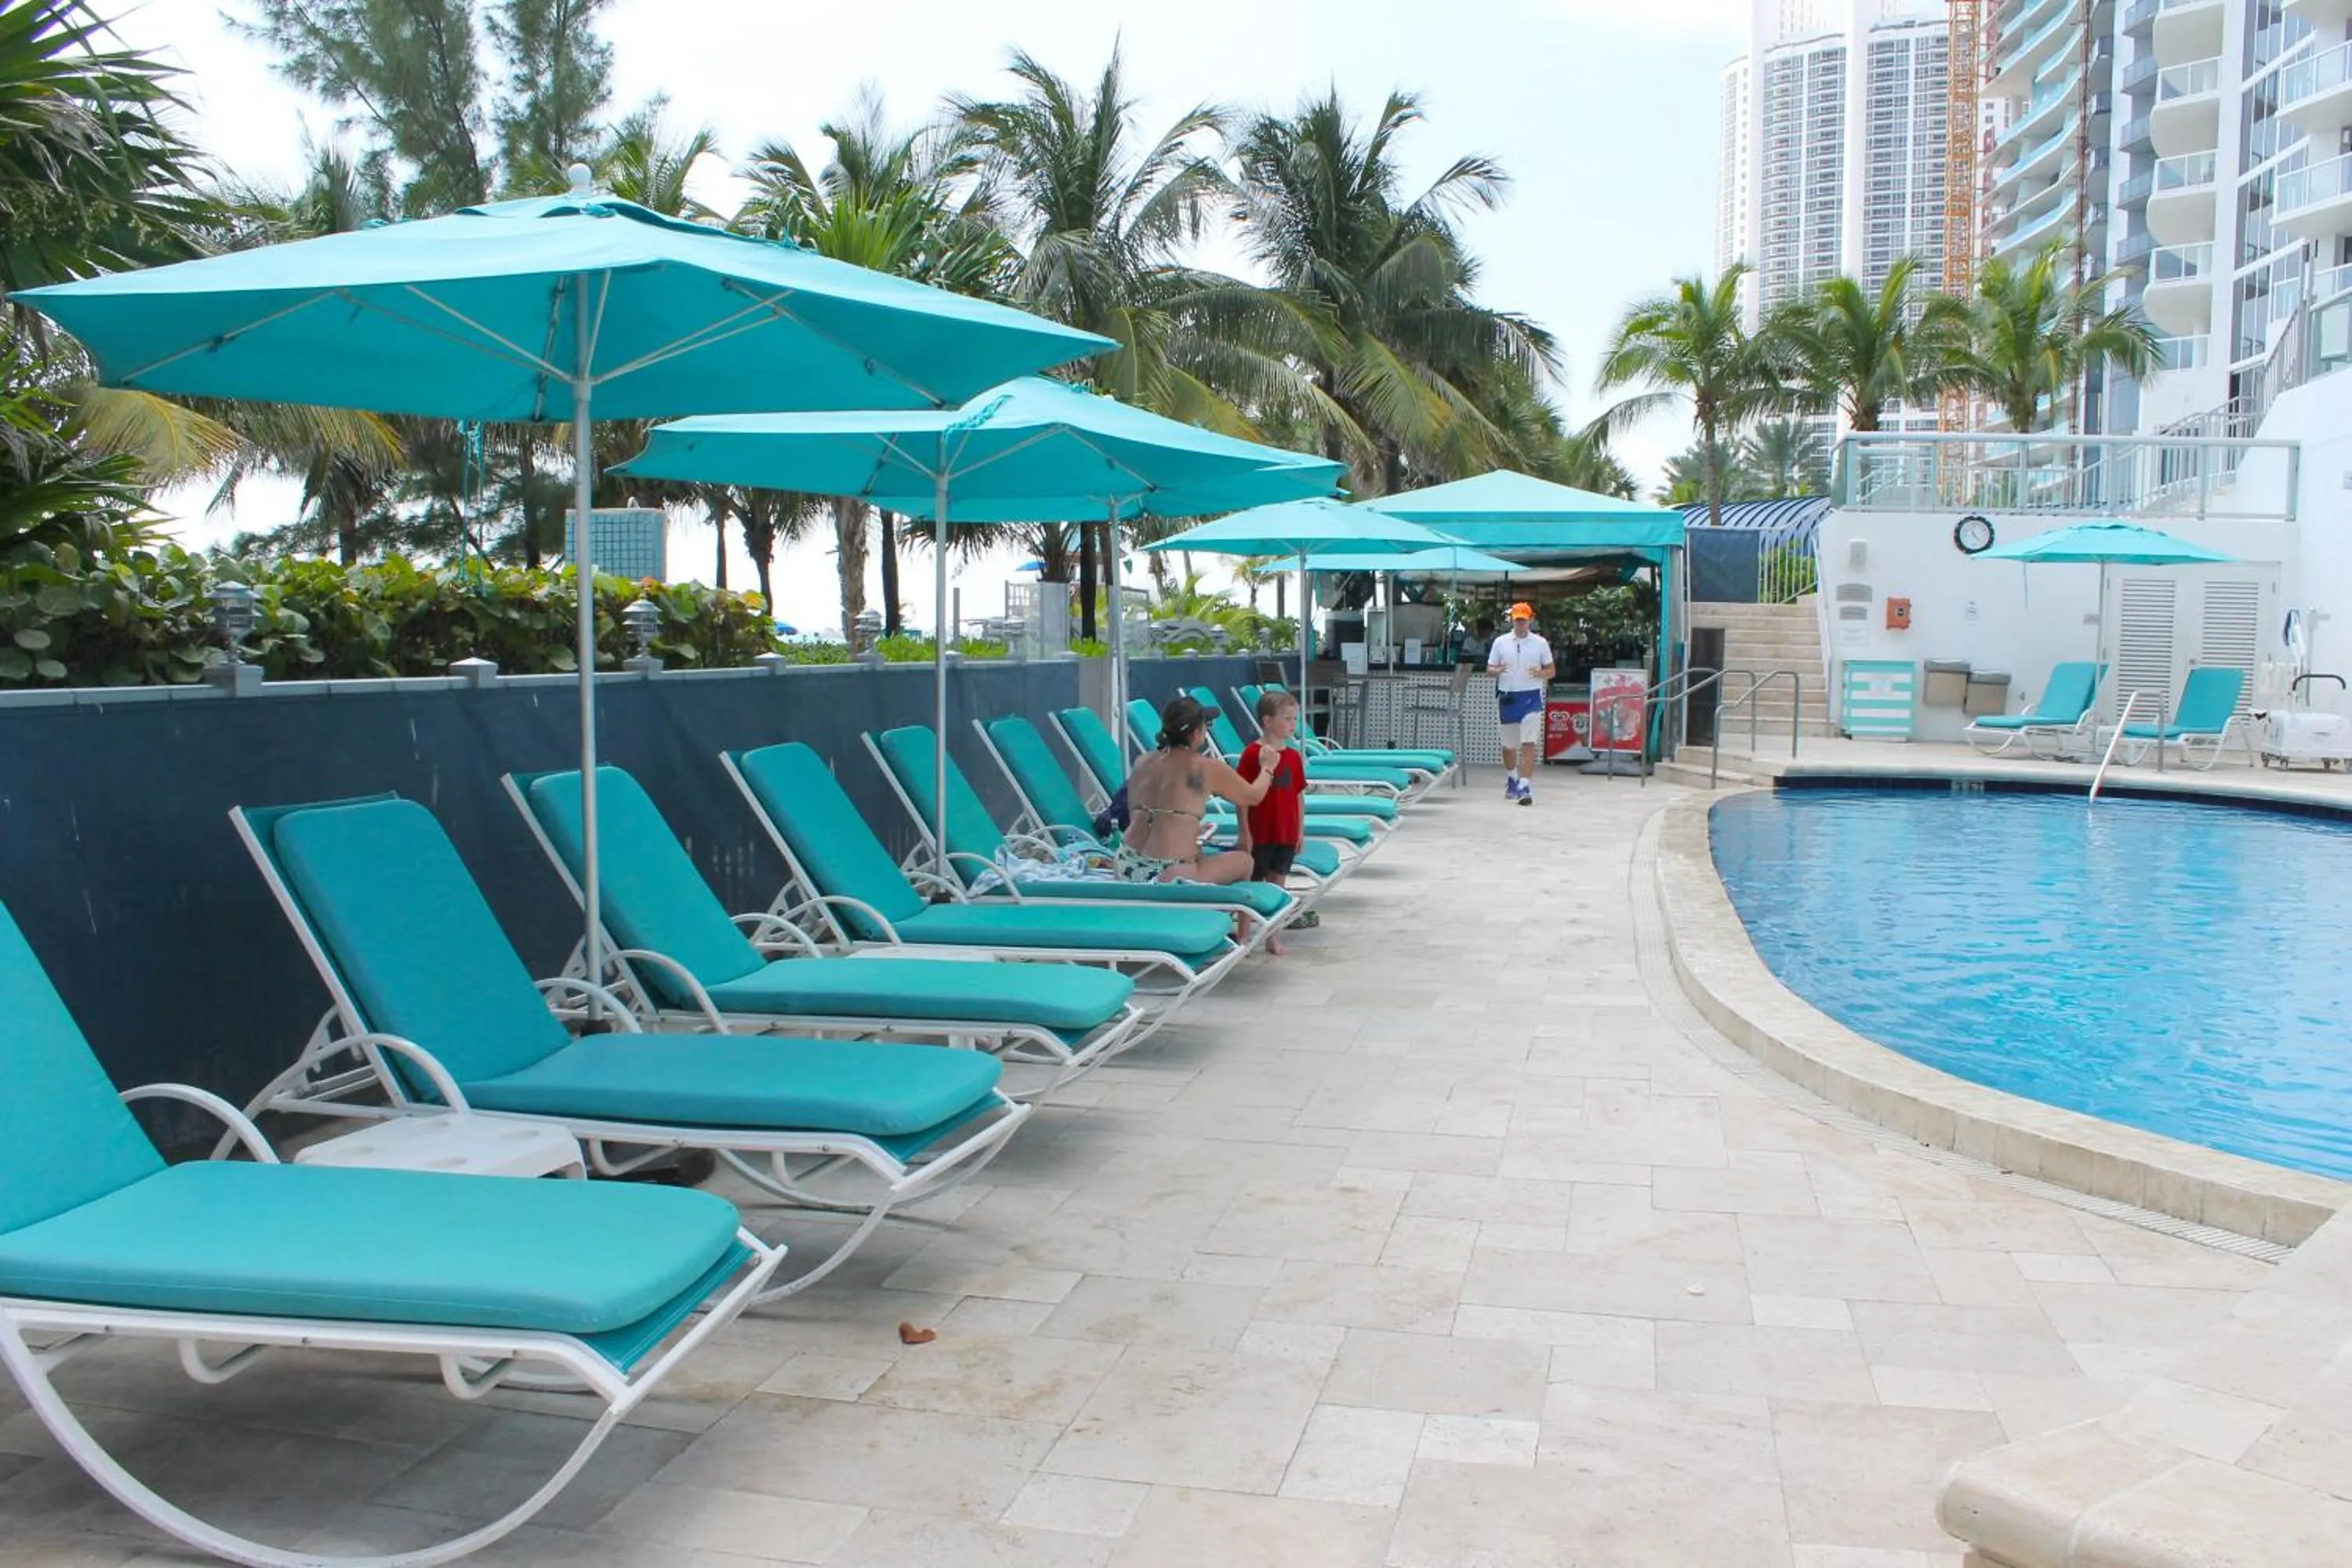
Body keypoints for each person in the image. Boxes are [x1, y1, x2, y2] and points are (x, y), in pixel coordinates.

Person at [1117, 695, 1278, 892]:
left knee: (1199, 853)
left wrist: (1186, 828)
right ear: (1196, 734)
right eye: (1206, 725)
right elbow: (1253, 796)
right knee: (1244, 861)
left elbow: (1139, 812)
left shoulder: (1143, 761)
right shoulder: (1205, 768)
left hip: (1126, 863)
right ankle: (1233, 922)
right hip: (1170, 873)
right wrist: (1268, 767)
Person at [1235, 688, 1312, 954]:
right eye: (1288, 718)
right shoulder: (1251, 755)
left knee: (1279, 885)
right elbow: (1241, 797)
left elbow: (1299, 796)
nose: (1293, 724)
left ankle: (1272, 935)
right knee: (1252, 886)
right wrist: (1244, 831)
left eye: (1295, 719)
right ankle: (1243, 934)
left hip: (1286, 833)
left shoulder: (1293, 756)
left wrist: (1300, 830)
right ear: (1268, 721)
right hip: (1260, 833)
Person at [1487, 601, 1556, 806]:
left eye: (1523, 620)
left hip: (1531, 697)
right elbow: (1489, 668)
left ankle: (1524, 786)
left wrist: (1540, 673)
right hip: (1508, 697)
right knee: (1509, 746)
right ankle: (1512, 777)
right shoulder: (1500, 642)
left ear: (1530, 620)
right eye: (1517, 620)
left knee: (1528, 743)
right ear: (1512, 620)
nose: (1520, 624)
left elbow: (1551, 671)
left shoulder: (1540, 643)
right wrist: (1497, 670)